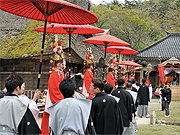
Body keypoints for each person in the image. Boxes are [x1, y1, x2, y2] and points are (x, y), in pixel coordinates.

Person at [41, 59, 65, 134]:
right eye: (63, 64)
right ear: (58, 64)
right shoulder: (55, 74)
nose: (64, 66)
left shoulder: (60, 73)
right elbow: (55, 90)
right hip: (54, 101)